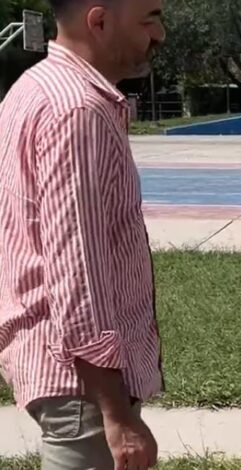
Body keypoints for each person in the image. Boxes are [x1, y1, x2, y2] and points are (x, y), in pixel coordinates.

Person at [0, 0, 166, 468]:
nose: (160, 34)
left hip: (59, 369)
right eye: (150, 18)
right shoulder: (77, 111)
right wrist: (116, 414)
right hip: (83, 387)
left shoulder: (33, 87)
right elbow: (78, 278)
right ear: (99, 21)